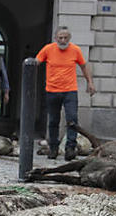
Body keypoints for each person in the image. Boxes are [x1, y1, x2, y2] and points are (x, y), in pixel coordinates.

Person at [36, 26, 96, 161]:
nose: (63, 40)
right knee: (53, 120)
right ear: (56, 38)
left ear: (69, 38)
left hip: (70, 90)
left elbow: (84, 66)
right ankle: (53, 148)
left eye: (65, 38)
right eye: (60, 38)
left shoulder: (75, 50)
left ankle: (70, 148)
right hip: (52, 90)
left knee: (72, 119)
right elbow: (36, 62)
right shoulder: (48, 49)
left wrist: (90, 82)